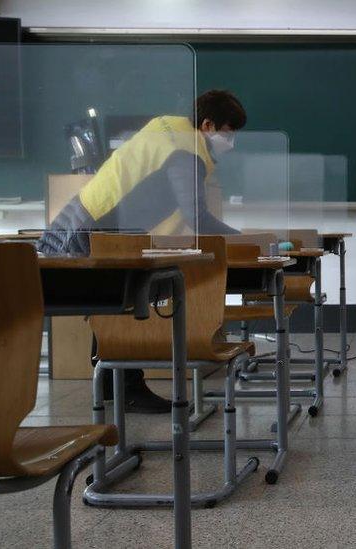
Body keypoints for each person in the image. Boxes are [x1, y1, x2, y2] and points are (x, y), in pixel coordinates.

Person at [38, 89, 247, 413]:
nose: (230, 142)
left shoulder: (168, 129)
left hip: (86, 220)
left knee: (115, 302)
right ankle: (127, 388)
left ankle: (112, 386)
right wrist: (248, 240)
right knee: (126, 299)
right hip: (91, 229)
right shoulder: (186, 151)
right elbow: (198, 218)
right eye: (229, 133)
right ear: (208, 125)